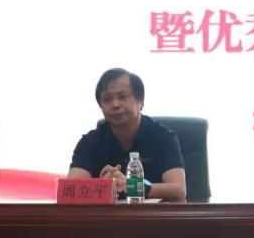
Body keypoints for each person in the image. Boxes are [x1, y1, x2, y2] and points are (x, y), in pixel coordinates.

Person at [68, 68, 187, 201]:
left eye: (123, 96)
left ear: (141, 101)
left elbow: (178, 190)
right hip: (106, 214)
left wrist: (132, 186)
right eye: (107, 99)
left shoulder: (163, 138)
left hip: (154, 214)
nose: (115, 104)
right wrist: (102, 185)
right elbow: (70, 190)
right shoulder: (90, 142)